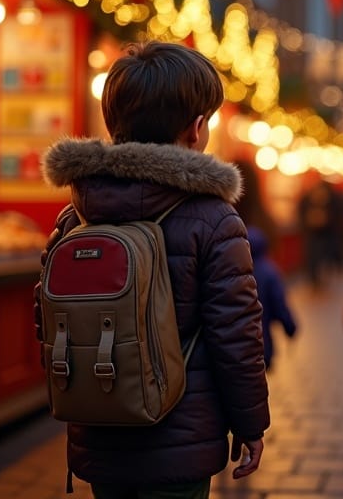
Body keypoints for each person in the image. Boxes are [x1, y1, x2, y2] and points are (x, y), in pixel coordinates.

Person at [35, 41, 269, 498]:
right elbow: (236, 334)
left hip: (99, 425)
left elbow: (45, 319)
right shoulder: (214, 219)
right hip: (180, 435)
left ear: (112, 122)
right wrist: (249, 422)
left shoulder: (77, 214)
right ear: (197, 129)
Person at [246, 225, 298, 372]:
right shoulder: (270, 271)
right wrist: (290, 327)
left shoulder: (237, 270)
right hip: (263, 342)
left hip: (239, 346)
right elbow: (279, 303)